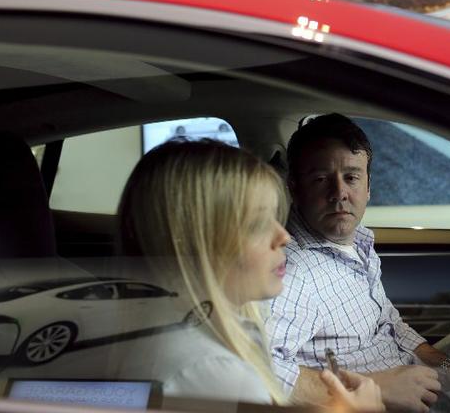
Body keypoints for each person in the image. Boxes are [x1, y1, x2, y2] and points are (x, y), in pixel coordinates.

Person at [267, 115, 450, 412]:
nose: (340, 193)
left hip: (414, 376)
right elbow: (255, 369)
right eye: (321, 179)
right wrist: (373, 386)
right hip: (387, 404)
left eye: (351, 177)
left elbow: (391, 325)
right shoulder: (293, 271)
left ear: (368, 186)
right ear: (295, 189)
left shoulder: (358, 243)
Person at [117, 139, 383, 410]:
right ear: (195, 243)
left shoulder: (174, 342)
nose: (283, 236)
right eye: (257, 224)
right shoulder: (215, 372)